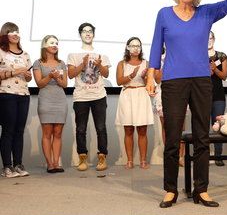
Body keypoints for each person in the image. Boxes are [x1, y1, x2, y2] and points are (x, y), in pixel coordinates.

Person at [146, 0, 227, 208]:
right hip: (173, 81)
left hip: (201, 81)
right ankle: (170, 190)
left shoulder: (206, 13)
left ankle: (201, 190)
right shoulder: (164, 14)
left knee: (201, 138)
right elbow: (155, 47)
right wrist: (152, 75)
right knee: (172, 138)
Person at [67, 23, 111, 171]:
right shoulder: (73, 54)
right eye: (84, 31)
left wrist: (99, 65)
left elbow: (106, 74)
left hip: (99, 96)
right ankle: (82, 159)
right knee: (81, 129)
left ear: (94, 34)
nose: (87, 34)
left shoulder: (102, 54)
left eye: (90, 31)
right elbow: (71, 74)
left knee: (101, 128)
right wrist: (82, 64)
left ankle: (102, 158)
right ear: (79, 34)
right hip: (81, 97)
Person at [115, 37, 154, 169]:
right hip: (127, 95)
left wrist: (144, 76)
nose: (136, 48)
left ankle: (143, 160)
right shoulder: (122, 63)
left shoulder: (146, 63)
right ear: (127, 47)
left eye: (138, 46)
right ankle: (130, 160)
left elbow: (150, 82)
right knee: (128, 129)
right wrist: (132, 75)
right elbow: (119, 81)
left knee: (142, 130)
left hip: (141, 95)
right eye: (133, 46)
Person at [0, 22, 32, 178]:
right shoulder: (0, 52)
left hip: (24, 95)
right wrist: (15, 71)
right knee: (8, 130)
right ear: (5, 34)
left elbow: (29, 77)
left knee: (19, 131)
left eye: (17, 31)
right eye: (12, 31)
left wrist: (27, 75)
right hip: (6, 94)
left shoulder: (25, 54)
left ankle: (18, 164)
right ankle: (7, 167)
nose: (15, 34)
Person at [32, 35, 68, 173]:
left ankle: (56, 162)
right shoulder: (38, 63)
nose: (55, 45)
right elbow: (39, 83)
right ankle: (49, 164)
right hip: (46, 99)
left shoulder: (61, 63)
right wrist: (49, 76)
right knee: (47, 132)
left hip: (60, 99)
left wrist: (57, 78)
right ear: (44, 45)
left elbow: (65, 84)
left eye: (56, 43)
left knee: (58, 133)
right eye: (52, 43)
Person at [153, 48, 187, 167]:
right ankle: (170, 156)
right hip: (163, 93)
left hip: (180, 92)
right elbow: (158, 79)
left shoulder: (182, 56)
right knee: (165, 127)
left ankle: (180, 156)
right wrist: (167, 61)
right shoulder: (158, 59)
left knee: (181, 127)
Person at [208, 31, 227, 166]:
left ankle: (218, 155)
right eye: (206, 38)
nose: (208, 40)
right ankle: (203, 154)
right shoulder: (197, 55)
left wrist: (215, 69)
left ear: (214, 39)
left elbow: (224, 76)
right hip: (202, 95)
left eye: (210, 38)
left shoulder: (221, 56)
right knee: (202, 125)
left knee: (218, 125)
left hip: (218, 95)